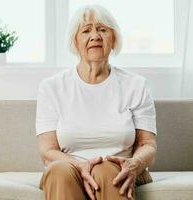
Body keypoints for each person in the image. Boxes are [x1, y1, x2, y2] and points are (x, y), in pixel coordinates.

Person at [36, 4, 157, 200]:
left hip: (118, 168)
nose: (95, 36)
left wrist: (133, 164)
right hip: (69, 169)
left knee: (106, 171)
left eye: (102, 30)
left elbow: (148, 145)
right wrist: (82, 166)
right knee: (59, 171)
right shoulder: (52, 87)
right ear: (75, 41)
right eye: (86, 30)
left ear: (114, 38)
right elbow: (47, 150)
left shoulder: (136, 85)